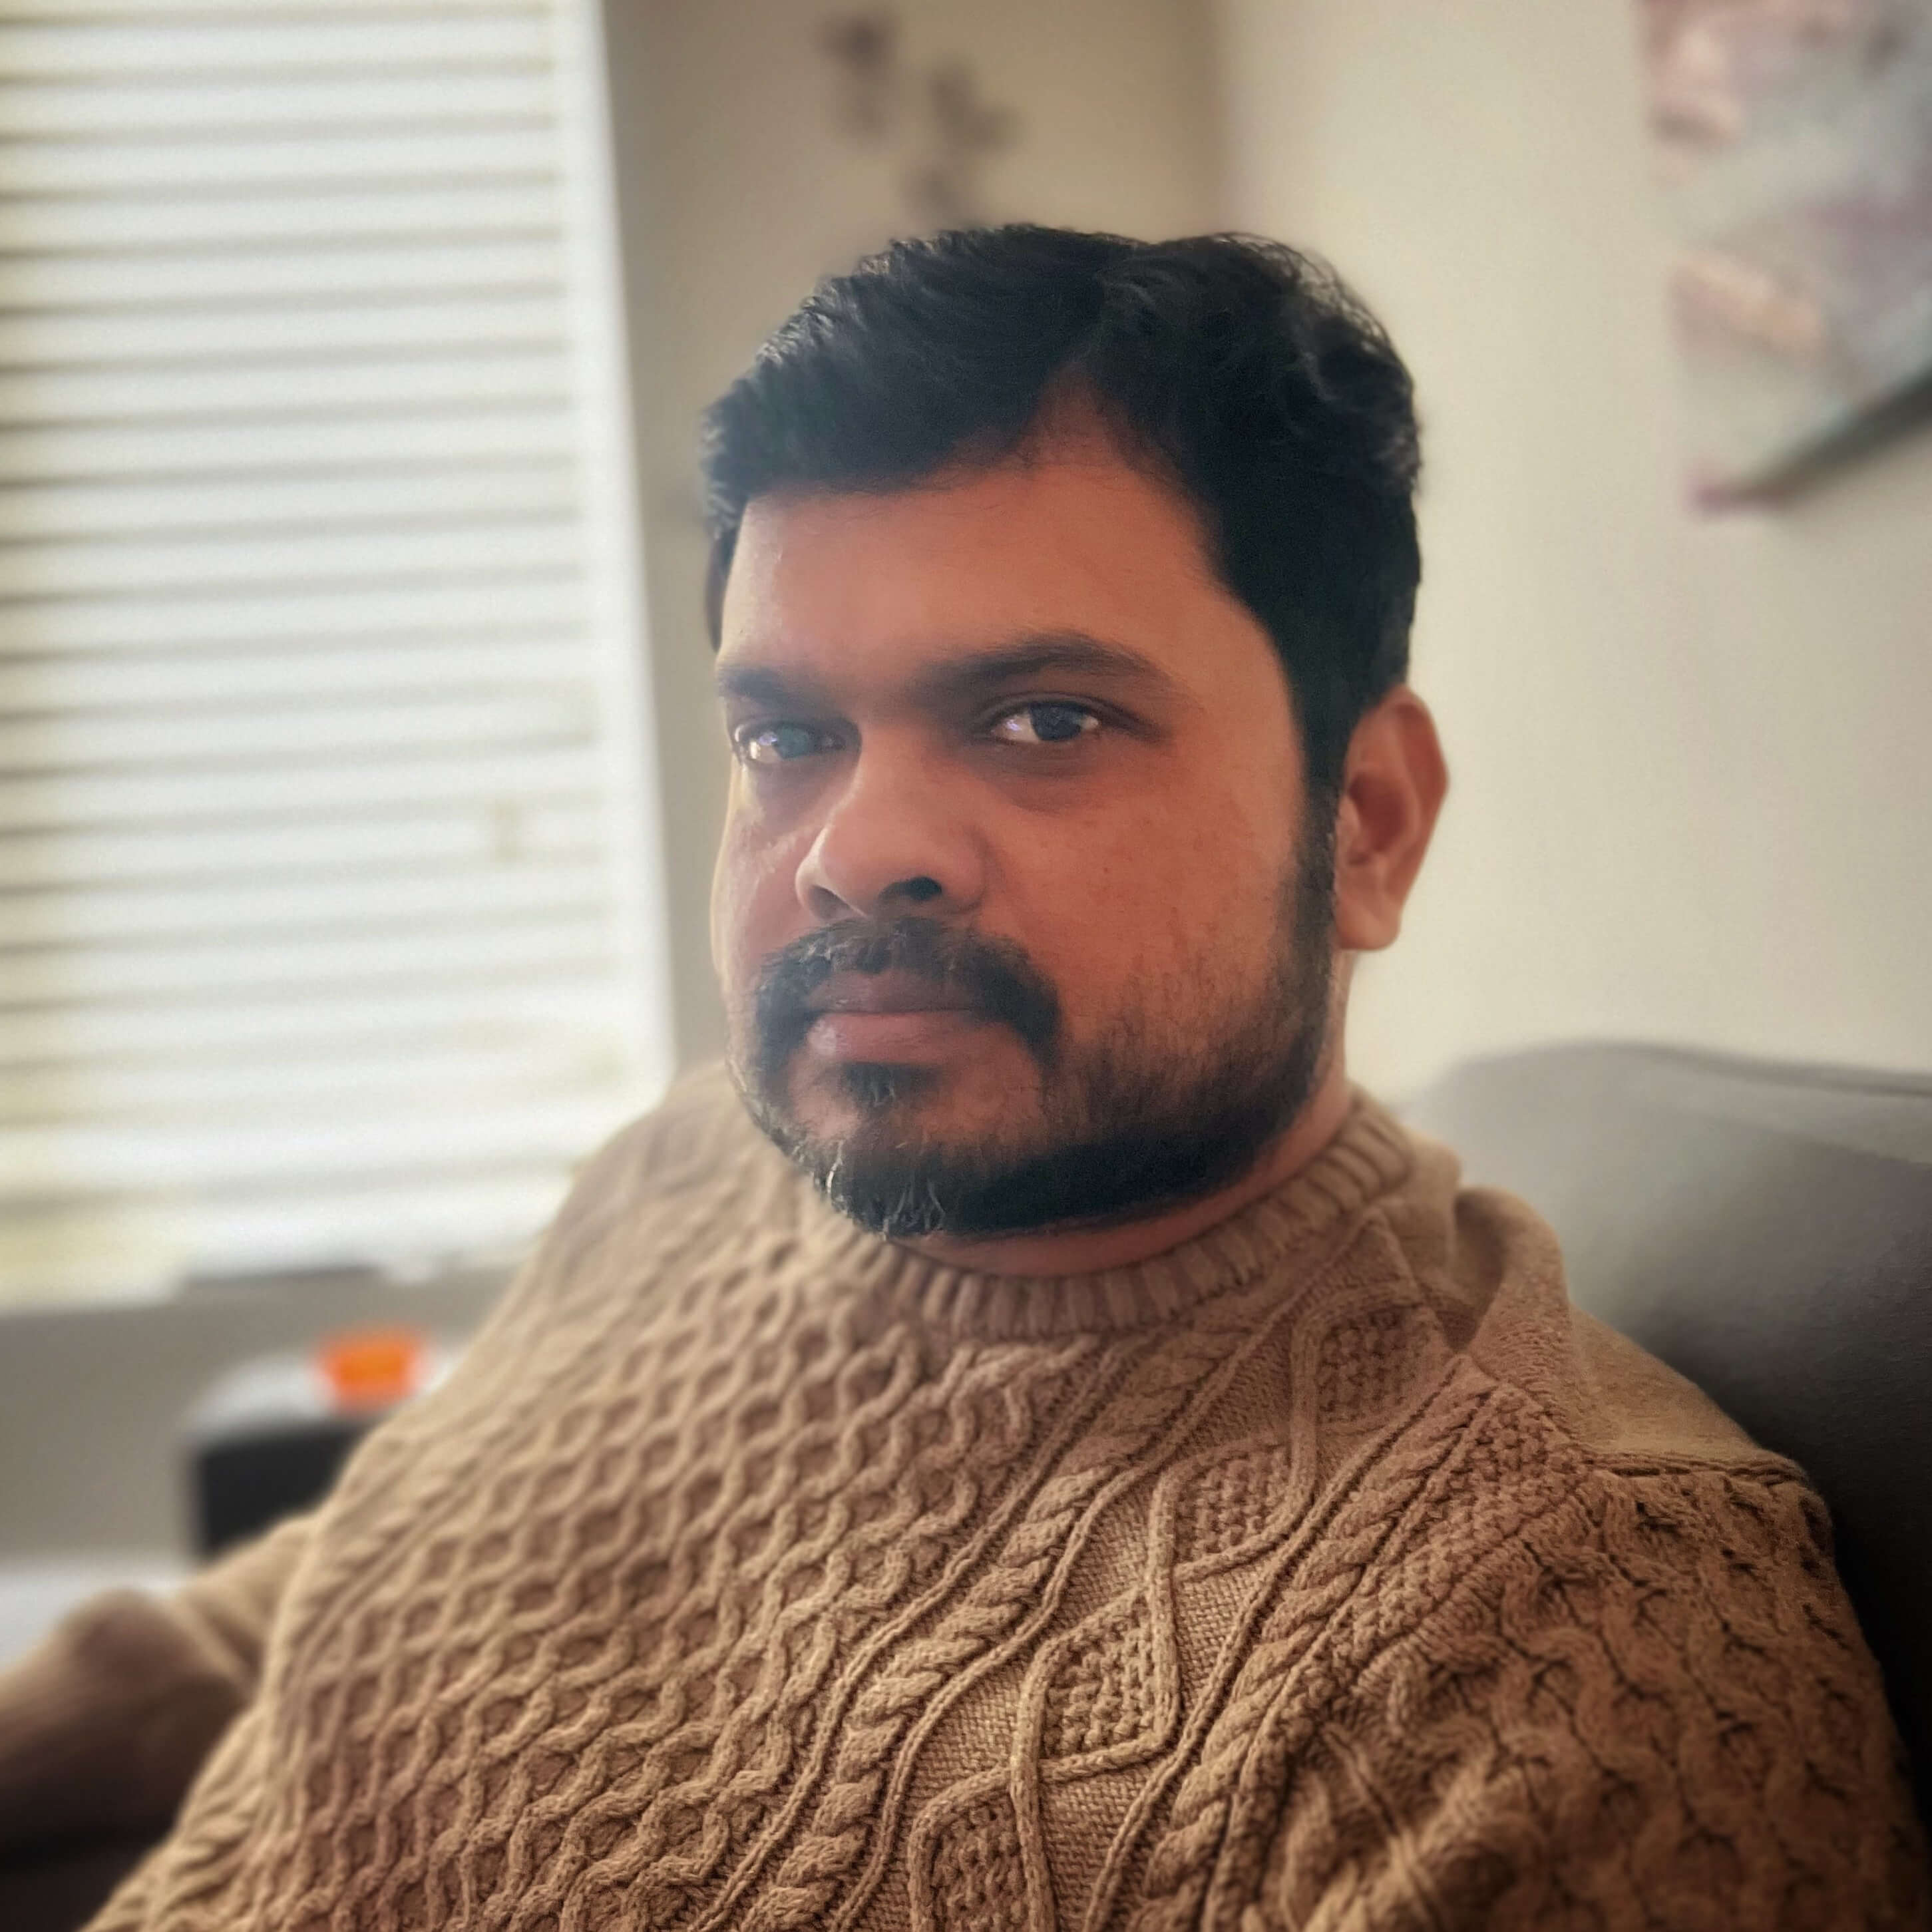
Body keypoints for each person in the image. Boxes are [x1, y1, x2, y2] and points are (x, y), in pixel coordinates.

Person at [0, 226, 1923, 1931]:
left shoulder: (1567, 1646)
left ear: (1366, 821)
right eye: (787, 735)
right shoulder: (692, 1163)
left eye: (1045, 719)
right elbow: (365, 1587)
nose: (856, 853)